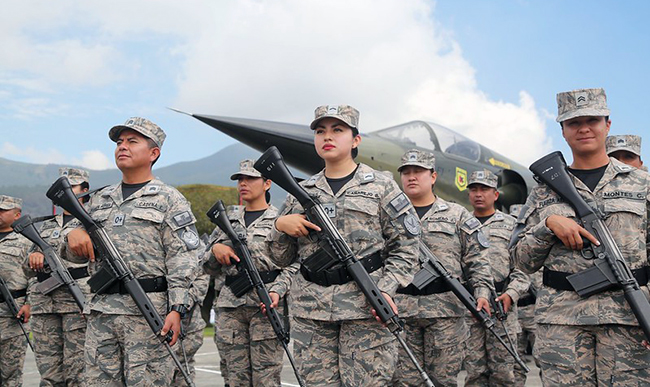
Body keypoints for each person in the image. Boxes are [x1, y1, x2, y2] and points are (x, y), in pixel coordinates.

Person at [269, 105, 420, 386]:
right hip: (310, 310)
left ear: (356, 140)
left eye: (338, 130)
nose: (328, 136)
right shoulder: (299, 192)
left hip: (365, 307)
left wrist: (386, 288)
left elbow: (407, 246)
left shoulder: (381, 186)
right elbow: (281, 258)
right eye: (320, 131)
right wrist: (280, 227)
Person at [511, 88, 650, 385]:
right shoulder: (544, 191)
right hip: (562, 322)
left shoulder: (642, 184)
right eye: (574, 123)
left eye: (593, 120)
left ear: (608, 125)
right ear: (562, 130)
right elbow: (520, 260)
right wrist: (548, 224)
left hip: (629, 319)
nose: (584, 128)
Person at [66, 117, 201, 386]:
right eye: (119, 142)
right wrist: (72, 233)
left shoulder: (169, 199)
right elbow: (68, 247)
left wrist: (177, 308)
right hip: (103, 312)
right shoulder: (99, 199)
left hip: (149, 313)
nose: (122, 147)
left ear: (153, 153)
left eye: (132, 141)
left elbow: (183, 259)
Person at [392, 150, 493, 387]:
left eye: (418, 171)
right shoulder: (389, 215)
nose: (412, 177)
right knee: (403, 382)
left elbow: (477, 260)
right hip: (401, 311)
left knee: (443, 381)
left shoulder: (457, 215)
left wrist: (482, 293)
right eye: (406, 172)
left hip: (445, 313)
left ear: (433, 176)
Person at [202, 159, 288, 386]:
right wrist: (215, 250)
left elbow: (295, 264)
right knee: (234, 377)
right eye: (240, 179)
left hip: (267, 307)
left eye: (250, 178)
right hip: (231, 307)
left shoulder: (279, 221)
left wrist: (278, 290)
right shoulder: (227, 220)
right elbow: (206, 265)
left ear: (267, 184)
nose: (243, 183)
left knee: (266, 379)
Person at [25, 167, 92, 387]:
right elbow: (25, 269)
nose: (63, 193)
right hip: (45, 307)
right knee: (49, 374)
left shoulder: (93, 223)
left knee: (78, 373)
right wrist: (34, 257)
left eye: (70, 187)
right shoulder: (46, 226)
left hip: (77, 305)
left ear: (84, 190)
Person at [463, 169, 530, 386]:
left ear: (496, 195)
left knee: (503, 372)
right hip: (469, 305)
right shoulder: (460, 224)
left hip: (503, 306)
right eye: (474, 189)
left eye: (484, 189)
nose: (479, 194)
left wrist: (512, 294)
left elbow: (524, 268)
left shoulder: (511, 226)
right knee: (474, 371)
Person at [508, 204, 542, 387]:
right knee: (515, 363)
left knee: (543, 360)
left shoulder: (535, 246)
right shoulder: (511, 247)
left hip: (535, 309)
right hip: (514, 310)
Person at [0, 195, 32, 387]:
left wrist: (30, 304)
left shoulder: (27, 241)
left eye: (4, 210)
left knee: (10, 375)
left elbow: (35, 277)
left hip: (12, 315)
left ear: (17, 214)